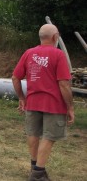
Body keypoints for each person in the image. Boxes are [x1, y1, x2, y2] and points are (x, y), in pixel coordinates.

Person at [12, 24, 75, 181]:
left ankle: (34, 168)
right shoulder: (58, 55)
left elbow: (15, 77)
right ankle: (38, 173)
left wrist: (21, 97)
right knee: (49, 136)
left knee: (33, 134)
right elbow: (64, 84)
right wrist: (70, 106)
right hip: (54, 104)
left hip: (32, 102)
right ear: (55, 37)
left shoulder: (29, 53)